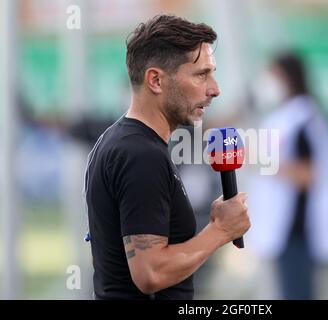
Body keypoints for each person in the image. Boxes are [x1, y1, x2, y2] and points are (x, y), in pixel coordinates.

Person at [83, 14, 250, 300]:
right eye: (201, 74)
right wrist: (221, 230)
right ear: (156, 80)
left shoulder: (122, 142)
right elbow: (151, 273)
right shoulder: (140, 155)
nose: (215, 89)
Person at [248, 53, 328, 299]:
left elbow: (308, 174)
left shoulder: (303, 120)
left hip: (297, 232)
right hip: (284, 232)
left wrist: (266, 164)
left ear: (288, 78)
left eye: (273, 75)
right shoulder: (285, 117)